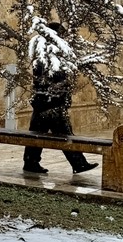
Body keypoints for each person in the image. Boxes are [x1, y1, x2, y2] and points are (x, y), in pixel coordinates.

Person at [23, 23, 98, 176]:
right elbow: (52, 83)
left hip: (43, 104)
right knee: (65, 135)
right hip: (52, 106)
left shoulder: (42, 57)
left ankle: (31, 162)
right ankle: (78, 163)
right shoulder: (48, 59)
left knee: (37, 135)